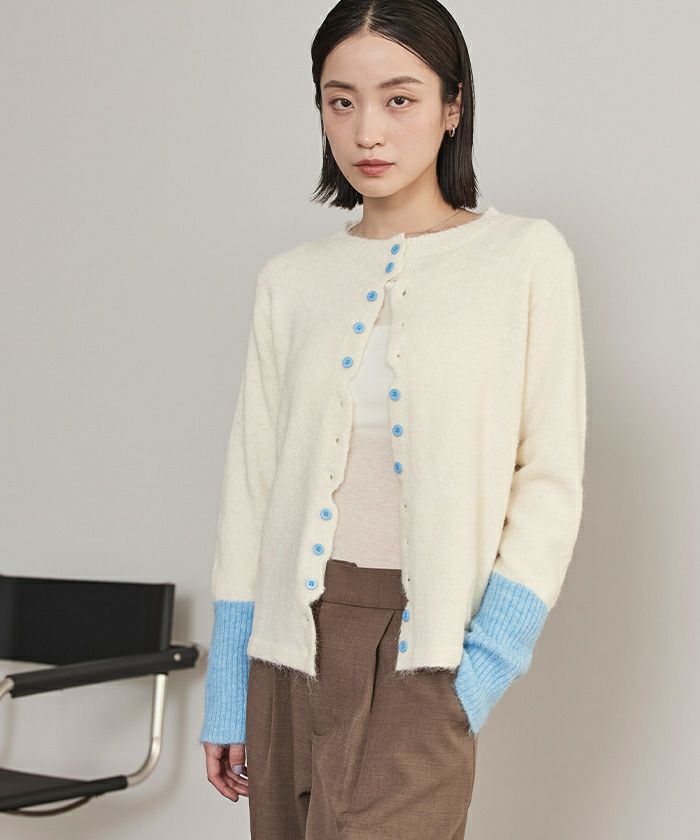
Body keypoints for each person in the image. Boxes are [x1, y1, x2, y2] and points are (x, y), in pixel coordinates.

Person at [200, 0, 587, 837]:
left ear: (453, 106)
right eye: (340, 101)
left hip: (424, 648)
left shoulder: (524, 258)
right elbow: (251, 488)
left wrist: (481, 668)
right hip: (287, 645)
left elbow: (550, 479)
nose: (367, 131)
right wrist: (230, 687)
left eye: (399, 99)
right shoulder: (291, 281)